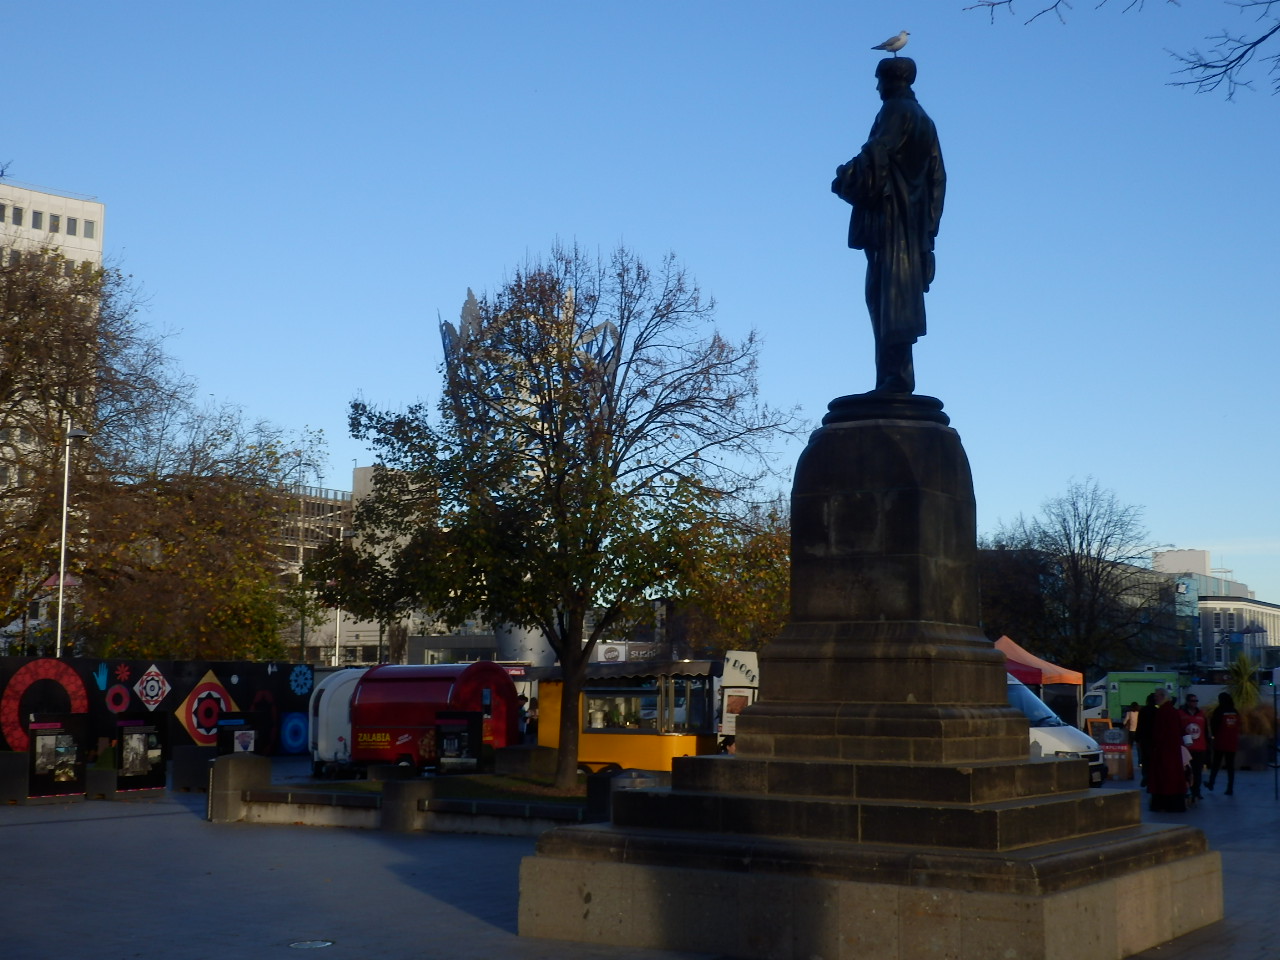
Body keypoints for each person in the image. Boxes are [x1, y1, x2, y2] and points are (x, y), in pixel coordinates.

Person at [832, 57, 946, 394]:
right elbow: (938, 177)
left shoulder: (895, 111)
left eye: (878, 80)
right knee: (896, 302)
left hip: (891, 223)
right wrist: (929, 228)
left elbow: (874, 156)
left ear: (891, 80)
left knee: (886, 300)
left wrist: (844, 177)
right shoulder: (925, 120)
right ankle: (895, 379)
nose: (877, 87)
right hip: (911, 228)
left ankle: (894, 380)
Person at [1145, 688, 1187, 813]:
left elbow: (1158, 733)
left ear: (1163, 696)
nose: (1155, 698)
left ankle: (1162, 803)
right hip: (1172, 751)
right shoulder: (1172, 711)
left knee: (1163, 777)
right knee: (1172, 776)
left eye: (1157, 696)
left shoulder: (1162, 712)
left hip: (1163, 751)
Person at [1206, 691, 1241, 796]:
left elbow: (1214, 725)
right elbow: (1239, 725)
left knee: (1216, 764)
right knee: (1230, 766)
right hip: (1232, 742)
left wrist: (1214, 736)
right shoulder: (1235, 711)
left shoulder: (1219, 710)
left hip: (1221, 742)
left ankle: (1211, 783)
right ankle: (1230, 788)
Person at [1180, 694, 1209, 803]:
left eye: (1196, 701)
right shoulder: (1181, 714)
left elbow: (1205, 731)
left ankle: (1196, 791)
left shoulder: (1202, 714)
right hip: (1186, 748)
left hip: (1199, 748)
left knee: (1197, 772)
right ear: (1187, 702)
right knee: (1186, 771)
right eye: (1192, 701)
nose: (1194, 703)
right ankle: (1186, 790)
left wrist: (1208, 746)